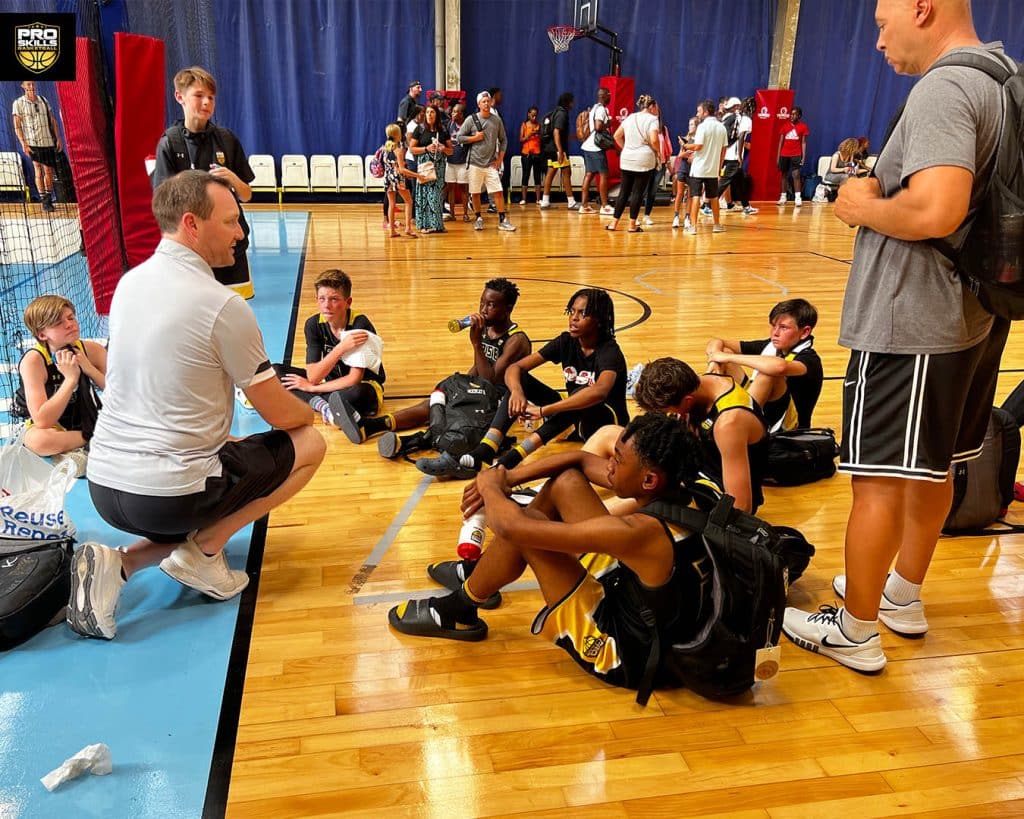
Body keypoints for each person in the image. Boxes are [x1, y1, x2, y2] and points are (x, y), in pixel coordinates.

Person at [783, 0, 1012, 673]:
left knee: (876, 478)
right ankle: (901, 594)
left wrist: (862, 205)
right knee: (933, 463)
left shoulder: (945, 85)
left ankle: (855, 629)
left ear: (923, 8)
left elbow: (937, 206)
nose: (878, 38)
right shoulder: (1000, 76)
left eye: (883, 22)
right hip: (971, 314)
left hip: (914, 318)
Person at [68, 170, 325, 640]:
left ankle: (121, 562)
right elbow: (281, 415)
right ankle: (207, 549)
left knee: (198, 466)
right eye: (230, 222)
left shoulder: (129, 284)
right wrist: (314, 409)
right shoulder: (223, 305)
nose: (241, 233)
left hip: (103, 486)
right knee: (309, 444)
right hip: (167, 498)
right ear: (191, 223)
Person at [387, 414, 714, 707]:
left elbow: (512, 527)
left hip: (629, 654)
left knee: (528, 525)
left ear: (648, 481)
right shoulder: (691, 485)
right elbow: (580, 460)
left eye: (618, 459)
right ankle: (482, 574)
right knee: (567, 482)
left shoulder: (637, 533)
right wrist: (509, 477)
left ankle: (458, 609)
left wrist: (490, 487)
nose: (609, 465)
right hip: (652, 607)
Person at [417, 288, 627, 479]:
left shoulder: (609, 352)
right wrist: (517, 392)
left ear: (599, 320)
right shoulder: (566, 341)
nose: (574, 318)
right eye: (571, 311)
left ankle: (510, 460)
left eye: (583, 313)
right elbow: (514, 368)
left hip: (606, 426)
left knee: (582, 395)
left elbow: (599, 392)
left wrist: (543, 410)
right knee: (521, 381)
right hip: (574, 420)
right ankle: (486, 450)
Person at [368, 278, 531, 456]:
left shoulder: (516, 340)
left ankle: (413, 441)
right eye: (482, 302)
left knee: (455, 414)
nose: (483, 310)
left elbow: (489, 381)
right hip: (481, 392)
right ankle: (373, 426)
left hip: (502, 399)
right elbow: (478, 370)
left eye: (491, 305)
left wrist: (476, 344)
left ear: (508, 308)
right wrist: (463, 385)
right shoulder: (487, 329)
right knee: (439, 402)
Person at [151, 67, 255, 296]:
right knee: (194, 308)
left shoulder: (226, 139)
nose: (207, 102)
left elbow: (247, 195)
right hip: (191, 249)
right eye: (199, 96)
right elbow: (164, 207)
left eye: (211, 97)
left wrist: (233, 179)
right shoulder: (170, 143)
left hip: (230, 247)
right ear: (180, 97)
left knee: (234, 307)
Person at [632, 357, 767, 514]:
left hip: (715, 492)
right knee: (610, 435)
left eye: (667, 411)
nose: (668, 415)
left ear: (687, 401)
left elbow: (741, 506)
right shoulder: (699, 383)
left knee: (645, 489)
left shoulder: (728, 424)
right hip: (695, 468)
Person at [275, 269, 386, 444]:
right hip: (329, 385)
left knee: (357, 393)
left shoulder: (359, 324)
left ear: (348, 302)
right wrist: (340, 348)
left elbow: (353, 379)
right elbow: (312, 376)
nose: (326, 305)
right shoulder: (313, 324)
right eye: (322, 299)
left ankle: (320, 403)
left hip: (362, 387)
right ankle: (328, 409)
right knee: (276, 371)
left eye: (334, 299)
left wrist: (311, 389)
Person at [10, 295, 106, 476]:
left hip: (87, 420)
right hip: (54, 428)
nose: (70, 324)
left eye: (70, 317)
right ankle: (94, 441)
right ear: (42, 334)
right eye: (58, 323)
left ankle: (78, 450)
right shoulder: (34, 361)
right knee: (39, 440)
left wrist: (89, 369)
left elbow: (122, 392)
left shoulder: (91, 350)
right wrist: (70, 380)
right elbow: (42, 420)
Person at [705, 298, 823, 432]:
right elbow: (717, 342)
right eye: (773, 326)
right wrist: (715, 358)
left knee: (768, 372)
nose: (775, 333)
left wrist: (728, 357)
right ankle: (711, 416)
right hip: (763, 411)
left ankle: (735, 426)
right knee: (723, 354)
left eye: (783, 327)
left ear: (805, 332)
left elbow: (780, 367)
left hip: (790, 430)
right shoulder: (770, 345)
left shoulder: (810, 360)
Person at [456, 90, 516, 232]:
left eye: (488, 101)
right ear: (479, 104)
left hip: (491, 163)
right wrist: (474, 138)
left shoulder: (496, 120)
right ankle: (478, 218)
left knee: (498, 191)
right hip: (475, 163)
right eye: (483, 101)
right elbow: (459, 137)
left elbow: (503, 140)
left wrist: (499, 159)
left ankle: (502, 219)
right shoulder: (471, 120)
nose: (486, 103)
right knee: (475, 193)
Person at [606, 95, 660, 233]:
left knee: (623, 191)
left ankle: (613, 223)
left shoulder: (630, 117)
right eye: (656, 107)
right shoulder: (653, 119)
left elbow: (616, 136)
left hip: (627, 158)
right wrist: (658, 152)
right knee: (637, 192)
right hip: (644, 159)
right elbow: (654, 140)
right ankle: (632, 225)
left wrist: (626, 148)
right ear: (651, 107)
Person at [11, 80, 62, 212]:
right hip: (33, 143)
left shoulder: (43, 100)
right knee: (38, 169)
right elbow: (17, 126)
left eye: (33, 84)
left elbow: (53, 120)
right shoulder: (18, 103)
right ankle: (43, 199)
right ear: (23, 86)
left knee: (49, 170)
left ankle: (49, 197)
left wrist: (58, 139)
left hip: (48, 141)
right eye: (28, 84)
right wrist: (23, 143)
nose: (32, 86)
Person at [683, 98, 728, 235]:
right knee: (714, 197)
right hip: (712, 170)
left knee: (696, 195)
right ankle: (717, 225)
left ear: (706, 112)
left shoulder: (702, 127)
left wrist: (685, 145)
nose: (697, 114)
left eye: (699, 111)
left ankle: (693, 227)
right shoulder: (722, 127)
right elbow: (724, 149)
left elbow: (698, 146)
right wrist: (719, 168)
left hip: (699, 168)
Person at [410, 104, 453, 234]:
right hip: (425, 166)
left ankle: (437, 225)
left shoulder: (443, 130)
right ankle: (424, 225)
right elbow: (412, 148)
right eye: (427, 112)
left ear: (437, 115)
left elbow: (451, 151)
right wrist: (426, 148)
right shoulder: (420, 129)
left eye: (432, 112)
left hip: (439, 166)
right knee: (423, 195)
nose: (429, 114)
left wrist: (443, 148)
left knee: (437, 196)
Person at [382, 122, 425, 238]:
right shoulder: (398, 150)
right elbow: (402, 170)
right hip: (397, 179)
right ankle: (408, 228)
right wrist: (417, 175)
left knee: (391, 204)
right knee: (409, 201)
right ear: (397, 135)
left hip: (388, 178)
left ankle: (392, 231)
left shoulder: (384, 149)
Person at [719, 96, 758, 216]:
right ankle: (707, 205)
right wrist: (740, 157)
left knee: (741, 181)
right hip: (733, 156)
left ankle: (746, 206)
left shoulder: (736, 117)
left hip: (729, 154)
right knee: (724, 181)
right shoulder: (746, 119)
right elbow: (741, 136)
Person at [539, 92, 578, 210]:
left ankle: (545, 201)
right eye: (572, 101)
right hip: (557, 149)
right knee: (566, 172)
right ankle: (571, 202)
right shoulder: (562, 114)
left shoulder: (555, 111)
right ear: (568, 102)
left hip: (550, 148)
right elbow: (556, 131)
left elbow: (558, 133)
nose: (573, 103)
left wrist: (574, 137)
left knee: (550, 173)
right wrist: (560, 150)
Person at [579, 87, 614, 215]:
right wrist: (608, 124)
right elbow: (599, 127)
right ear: (604, 96)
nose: (610, 97)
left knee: (589, 174)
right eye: (609, 94)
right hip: (596, 147)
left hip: (587, 145)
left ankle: (584, 205)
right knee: (604, 174)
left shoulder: (594, 107)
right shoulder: (601, 110)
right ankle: (605, 206)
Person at [640, 114, 672, 226]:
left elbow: (667, 147)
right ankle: (634, 217)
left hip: (660, 164)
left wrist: (668, 165)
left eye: (656, 113)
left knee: (652, 191)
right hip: (647, 162)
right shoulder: (645, 126)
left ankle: (647, 215)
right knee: (642, 190)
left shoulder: (663, 129)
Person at [776, 106, 809, 207]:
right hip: (784, 154)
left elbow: (803, 143)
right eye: (791, 114)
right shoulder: (785, 126)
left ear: (799, 116)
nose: (792, 116)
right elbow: (781, 142)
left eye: (795, 114)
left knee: (796, 175)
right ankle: (783, 196)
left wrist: (803, 156)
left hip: (796, 154)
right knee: (784, 175)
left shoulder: (803, 127)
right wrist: (778, 157)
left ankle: (798, 198)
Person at [671, 117, 698, 229]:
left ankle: (687, 217)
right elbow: (679, 155)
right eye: (689, 124)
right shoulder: (685, 139)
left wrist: (693, 156)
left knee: (690, 196)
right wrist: (685, 153)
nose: (689, 126)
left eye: (692, 124)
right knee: (680, 193)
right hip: (683, 168)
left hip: (693, 171)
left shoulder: (699, 141)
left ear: (697, 126)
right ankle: (676, 217)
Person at [446, 103, 471, 222]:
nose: (452, 113)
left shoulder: (468, 126)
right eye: (452, 111)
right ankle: (452, 214)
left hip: (463, 161)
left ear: (461, 114)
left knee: (464, 188)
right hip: (450, 161)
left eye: (455, 111)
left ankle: (465, 214)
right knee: (450, 188)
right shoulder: (449, 124)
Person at [518, 106, 543, 206]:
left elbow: (542, 138)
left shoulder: (539, 125)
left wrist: (538, 134)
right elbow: (521, 139)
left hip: (537, 153)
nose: (534, 117)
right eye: (532, 115)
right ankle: (524, 199)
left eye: (535, 115)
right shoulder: (524, 125)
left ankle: (538, 199)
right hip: (526, 153)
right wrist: (529, 135)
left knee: (537, 176)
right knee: (525, 175)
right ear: (528, 114)